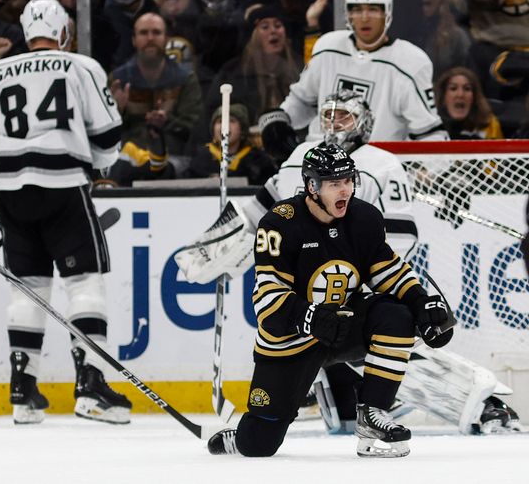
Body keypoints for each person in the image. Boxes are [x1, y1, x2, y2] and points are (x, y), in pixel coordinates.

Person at [178, 91, 518, 436]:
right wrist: (207, 250)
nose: (334, 123)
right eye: (328, 115)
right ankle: (310, 400)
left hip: (358, 285)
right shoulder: (300, 156)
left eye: (344, 116)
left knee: (394, 327)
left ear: (364, 122)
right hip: (305, 298)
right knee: (334, 417)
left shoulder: (383, 163)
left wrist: (388, 291)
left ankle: (478, 404)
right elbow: (257, 215)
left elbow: (399, 239)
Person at [207, 142, 453, 458]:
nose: (345, 190)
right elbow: (267, 300)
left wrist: (422, 303)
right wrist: (309, 317)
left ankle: (373, 415)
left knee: (397, 316)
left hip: (342, 324)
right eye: (335, 183)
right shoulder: (280, 223)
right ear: (312, 186)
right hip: (291, 338)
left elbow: (389, 271)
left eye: (349, 180)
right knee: (258, 445)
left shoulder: (364, 218)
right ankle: (241, 437)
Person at [0, 0, 132, 425]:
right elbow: (109, 133)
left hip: (11, 192)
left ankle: (22, 391)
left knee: (28, 289)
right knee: (85, 284)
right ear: (62, 31)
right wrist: (97, 165)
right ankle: (90, 385)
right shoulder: (80, 66)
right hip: (64, 186)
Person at [281, 0, 448, 142]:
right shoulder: (328, 47)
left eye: (373, 9)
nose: (364, 17)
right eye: (357, 9)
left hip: (375, 165)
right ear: (348, 14)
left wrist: (428, 165)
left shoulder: (411, 63)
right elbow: (302, 102)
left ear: (387, 13)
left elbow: (429, 133)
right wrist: (279, 120)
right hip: (319, 160)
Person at [110, 12, 204, 173]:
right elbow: (104, 131)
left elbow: (194, 124)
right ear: (133, 39)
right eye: (144, 33)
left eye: (156, 32)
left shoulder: (185, 79)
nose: (150, 38)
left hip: (174, 157)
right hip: (127, 159)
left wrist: (165, 122)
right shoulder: (118, 80)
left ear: (166, 39)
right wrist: (117, 111)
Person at [186, 103, 276, 185]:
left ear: (242, 130)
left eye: (231, 121)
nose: (224, 125)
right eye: (220, 121)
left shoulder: (258, 161)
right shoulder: (200, 160)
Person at [436, 67, 503, 140]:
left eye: (467, 89)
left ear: (475, 97)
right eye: (453, 88)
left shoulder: (490, 124)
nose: (460, 94)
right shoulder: (431, 127)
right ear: (443, 96)